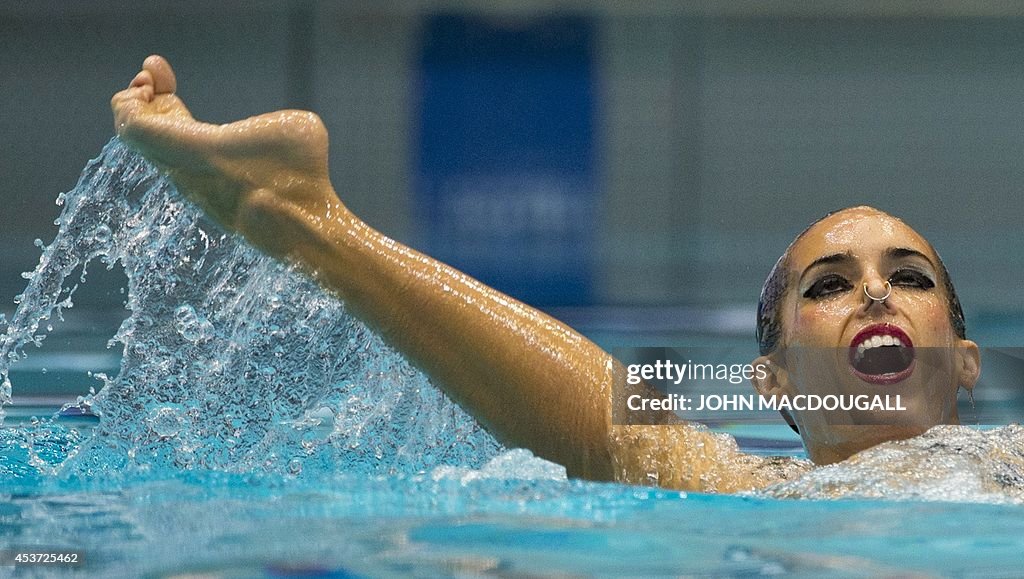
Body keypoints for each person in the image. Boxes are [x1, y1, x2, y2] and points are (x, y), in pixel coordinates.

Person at [110, 56, 980, 492]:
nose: (873, 291)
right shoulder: (751, 490)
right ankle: (301, 219)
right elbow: (613, 419)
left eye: (909, 276)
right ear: (775, 378)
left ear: (967, 360)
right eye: (826, 284)